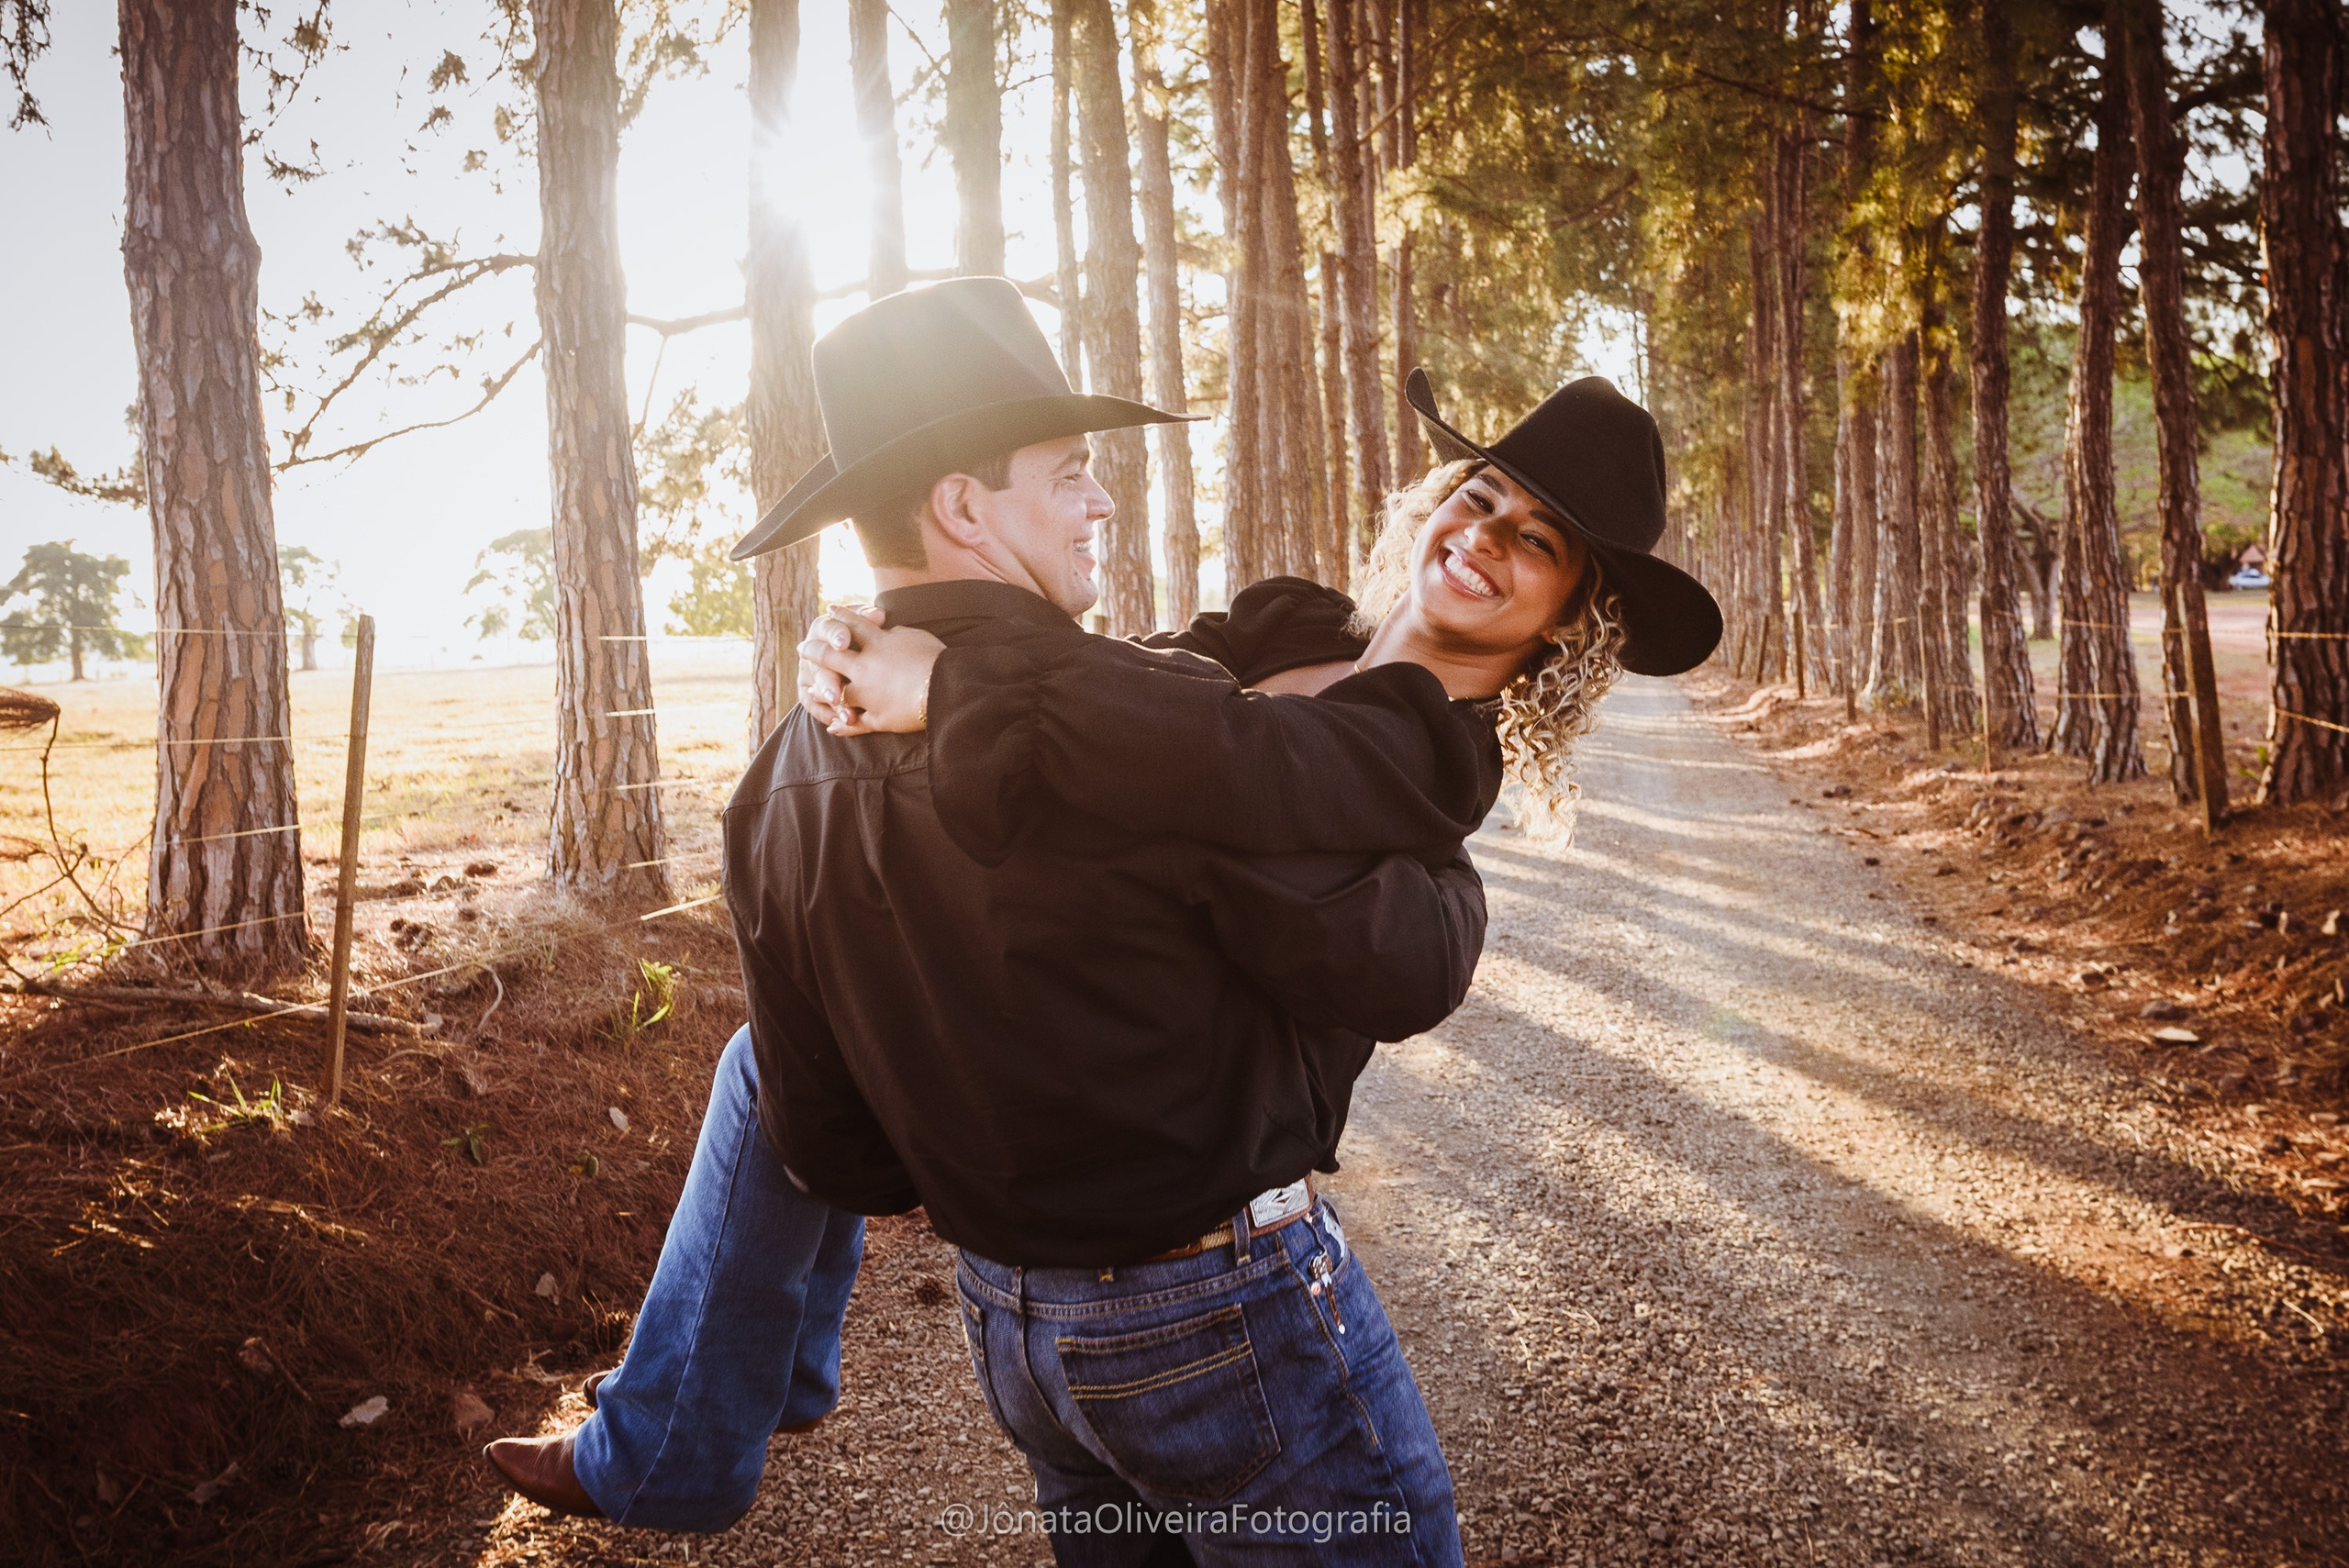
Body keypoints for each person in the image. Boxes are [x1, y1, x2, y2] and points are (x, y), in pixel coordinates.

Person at [484, 277, 1497, 1558]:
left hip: (1021, 1335)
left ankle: (689, 1433)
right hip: (1225, 1314)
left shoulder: (777, 785)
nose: (1103, 499)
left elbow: (842, 1159)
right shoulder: (1147, 738)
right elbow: (1388, 953)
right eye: (1071, 470)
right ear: (963, 501)